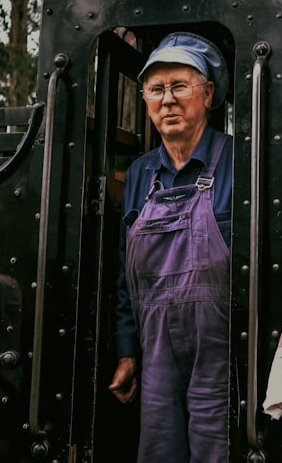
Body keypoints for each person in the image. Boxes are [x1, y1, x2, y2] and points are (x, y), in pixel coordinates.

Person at [109, 32, 233, 463]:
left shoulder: (244, 162)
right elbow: (126, 277)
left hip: (224, 354)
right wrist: (127, 350)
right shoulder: (140, 174)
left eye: (179, 86)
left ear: (208, 93)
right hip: (156, 351)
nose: (167, 100)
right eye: (156, 90)